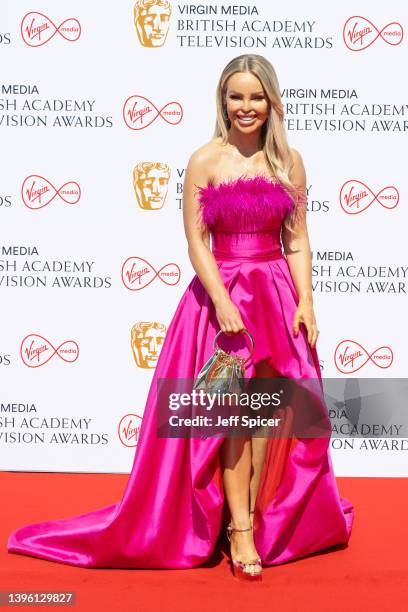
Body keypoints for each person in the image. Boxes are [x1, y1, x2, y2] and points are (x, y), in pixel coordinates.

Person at [7, 54, 354, 581]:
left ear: (272, 101)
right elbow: (196, 242)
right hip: (222, 302)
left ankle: (259, 517)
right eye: (236, 97)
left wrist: (307, 300)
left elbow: (299, 239)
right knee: (228, 417)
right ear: (222, 100)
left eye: (256, 97)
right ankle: (238, 531)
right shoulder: (204, 160)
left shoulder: (289, 162)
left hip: (277, 296)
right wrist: (221, 301)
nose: (246, 107)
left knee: (271, 415)